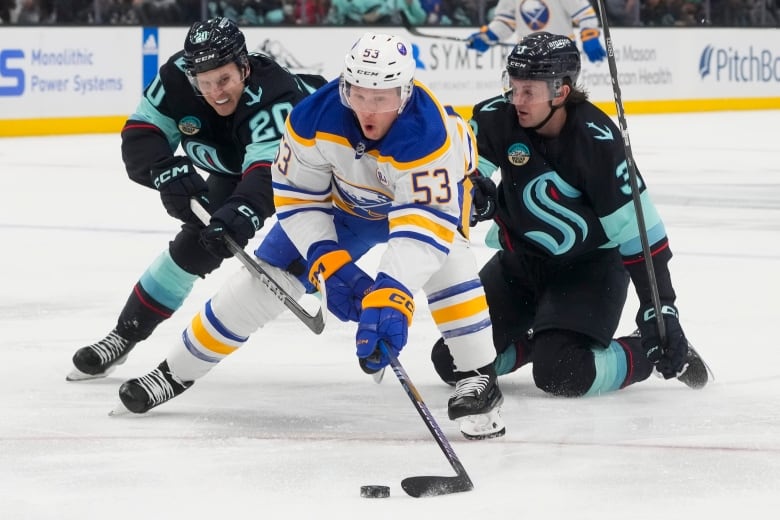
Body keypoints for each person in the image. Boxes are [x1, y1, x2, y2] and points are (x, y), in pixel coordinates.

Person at [114, 32, 506, 441]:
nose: (368, 112)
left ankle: (479, 376)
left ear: (405, 93)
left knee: (448, 264)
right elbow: (297, 198)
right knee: (262, 282)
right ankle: (175, 372)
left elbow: (422, 229)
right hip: (347, 208)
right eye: (358, 96)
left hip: (428, 205)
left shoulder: (430, 133)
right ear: (343, 89)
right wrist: (330, 263)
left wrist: (392, 293)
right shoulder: (311, 117)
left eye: (383, 99)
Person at [431, 32, 710, 398]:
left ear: (561, 92)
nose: (517, 99)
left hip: (589, 270)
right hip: (521, 264)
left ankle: (642, 350)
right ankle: (538, 340)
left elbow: (639, 233)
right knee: (453, 361)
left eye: (528, 91)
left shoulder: (597, 141)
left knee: (563, 372)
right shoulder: (495, 117)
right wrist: (473, 194)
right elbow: (466, 173)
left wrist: (661, 310)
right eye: (512, 87)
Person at [66, 17, 325, 381]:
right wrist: (164, 170)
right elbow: (142, 131)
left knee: (329, 247)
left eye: (224, 80)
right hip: (240, 165)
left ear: (245, 67)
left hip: (321, 165)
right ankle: (124, 334)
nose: (216, 92)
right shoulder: (175, 79)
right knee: (195, 245)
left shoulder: (274, 95)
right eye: (205, 83)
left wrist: (241, 213)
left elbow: (269, 172)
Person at [465, 0, 607, 63]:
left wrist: (589, 36)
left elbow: (584, 14)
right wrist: (488, 36)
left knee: (561, 102)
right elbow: (505, 21)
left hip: (560, 53)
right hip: (525, 54)